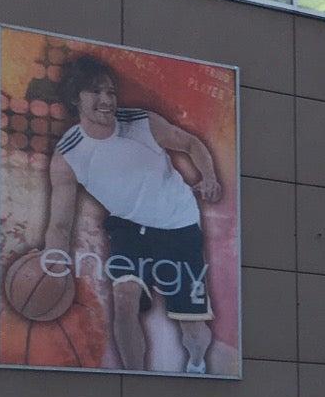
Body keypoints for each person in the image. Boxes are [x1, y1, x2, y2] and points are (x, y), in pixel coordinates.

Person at [44, 57, 222, 375]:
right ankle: (133, 378)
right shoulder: (68, 155)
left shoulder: (142, 123)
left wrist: (208, 177)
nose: (106, 100)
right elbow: (60, 223)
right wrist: (54, 264)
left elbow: (191, 144)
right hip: (128, 226)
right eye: (95, 92)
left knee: (193, 331)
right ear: (75, 98)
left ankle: (196, 361)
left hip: (177, 223)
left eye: (110, 92)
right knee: (124, 299)